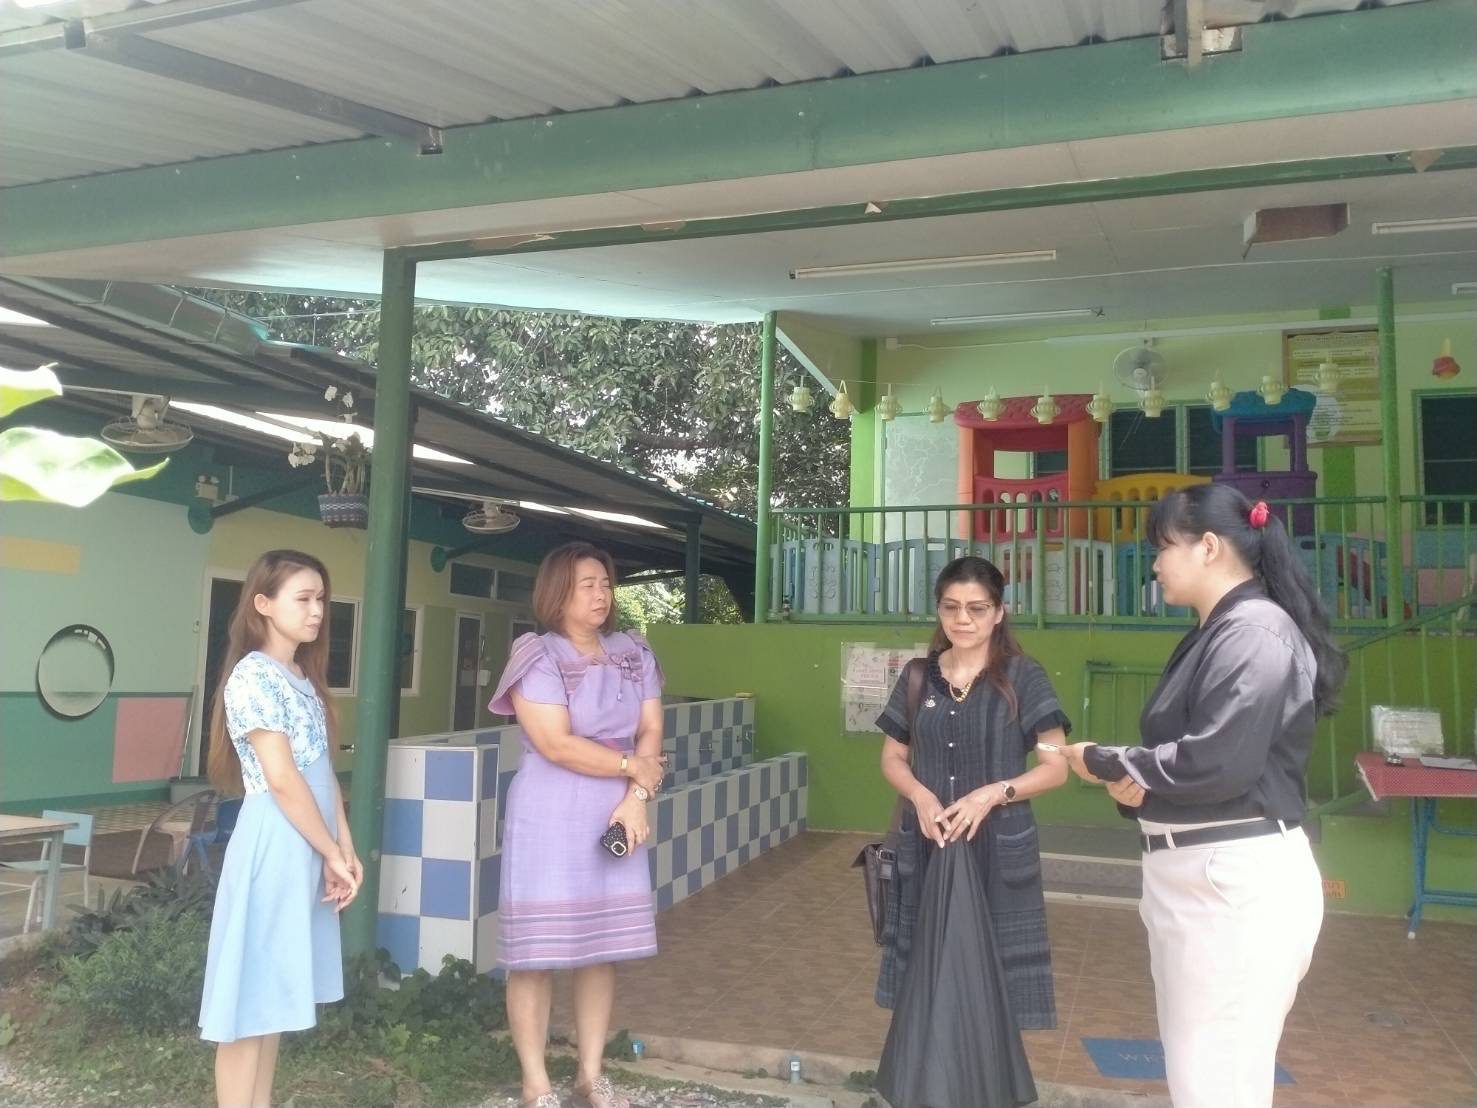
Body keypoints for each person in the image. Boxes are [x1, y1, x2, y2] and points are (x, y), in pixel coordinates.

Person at [1063, 486, 1347, 1108]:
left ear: (1209, 547)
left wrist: (1106, 760)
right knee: (1206, 1079)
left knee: (1216, 1082)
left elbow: (1217, 761)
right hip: (1200, 878)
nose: (1156, 564)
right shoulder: (1217, 631)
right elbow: (1196, 766)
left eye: (1164, 548)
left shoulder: (1255, 631)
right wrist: (1135, 790)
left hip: (1233, 884)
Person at [874, 556, 1071, 1107]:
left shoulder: (1023, 677)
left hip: (998, 850)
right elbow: (892, 758)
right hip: (929, 844)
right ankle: (927, 1089)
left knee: (992, 980)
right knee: (930, 972)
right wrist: (920, 795)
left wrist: (993, 793)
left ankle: (985, 1091)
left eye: (977, 609)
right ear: (939, 610)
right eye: (952, 607)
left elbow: (1055, 767)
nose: (963, 619)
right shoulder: (918, 676)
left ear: (999, 612)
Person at [488, 542, 667, 1108]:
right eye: (586, 584)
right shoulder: (536, 655)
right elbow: (555, 743)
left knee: (601, 947)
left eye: (605, 583)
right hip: (550, 811)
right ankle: (536, 1084)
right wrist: (631, 768)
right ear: (556, 592)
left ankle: (591, 1076)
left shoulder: (634, 652)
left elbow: (651, 730)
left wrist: (636, 798)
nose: (600, 593)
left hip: (617, 809)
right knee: (535, 953)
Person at [199, 549, 362, 1108]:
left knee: (272, 1003)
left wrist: (343, 847)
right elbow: (283, 779)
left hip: (308, 841)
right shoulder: (253, 676)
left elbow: (322, 773)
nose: (317, 611)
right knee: (249, 1003)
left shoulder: (302, 677)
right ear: (263, 604)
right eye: (304, 599)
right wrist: (330, 850)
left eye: (321, 599)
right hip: (274, 841)